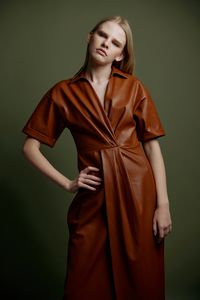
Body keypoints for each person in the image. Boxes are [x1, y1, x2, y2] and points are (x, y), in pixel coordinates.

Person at [22, 16, 172, 300]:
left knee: (142, 279)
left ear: (121, 55)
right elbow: (30, 148)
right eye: (102, 35)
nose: (106, 43)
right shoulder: (63, 93)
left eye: (116, 42)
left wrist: (162, 204)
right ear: (89, 37)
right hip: (94, 197)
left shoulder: (133, 87)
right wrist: (68, 183)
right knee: (84, 280)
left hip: (139, 195)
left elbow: (152, 147)